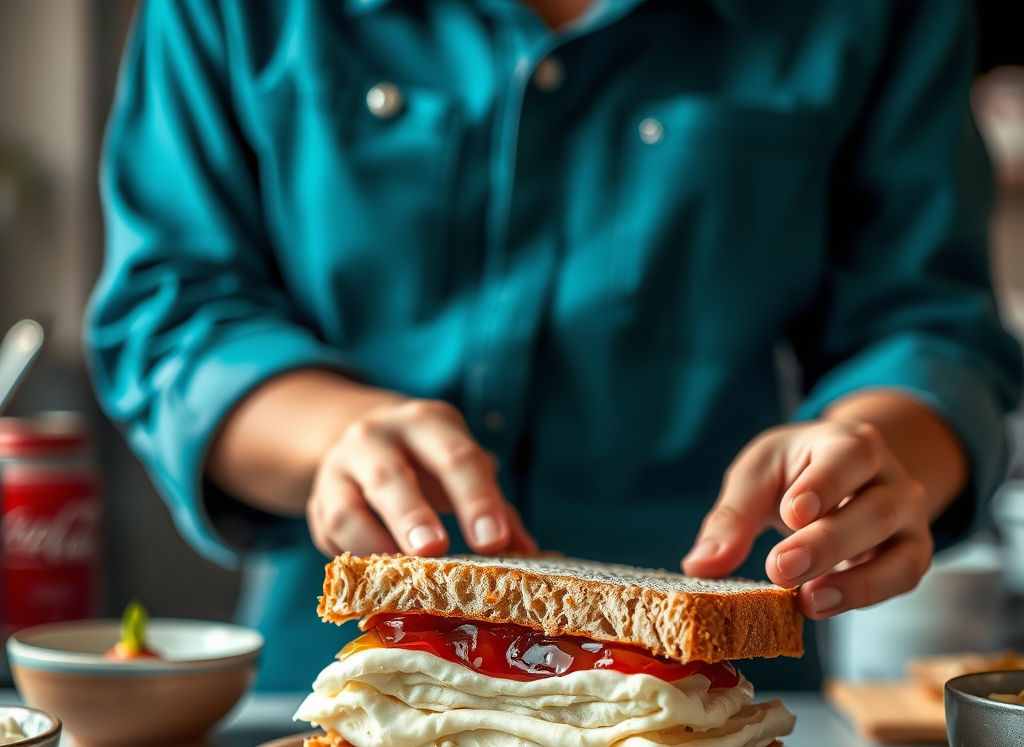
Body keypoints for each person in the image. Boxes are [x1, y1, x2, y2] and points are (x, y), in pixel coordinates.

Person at [86, 0, 1022, 691]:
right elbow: (170, 309)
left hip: (717, 678)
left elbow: (931, 326)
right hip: (327, 673)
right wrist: (333, 436)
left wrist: (878, 454)